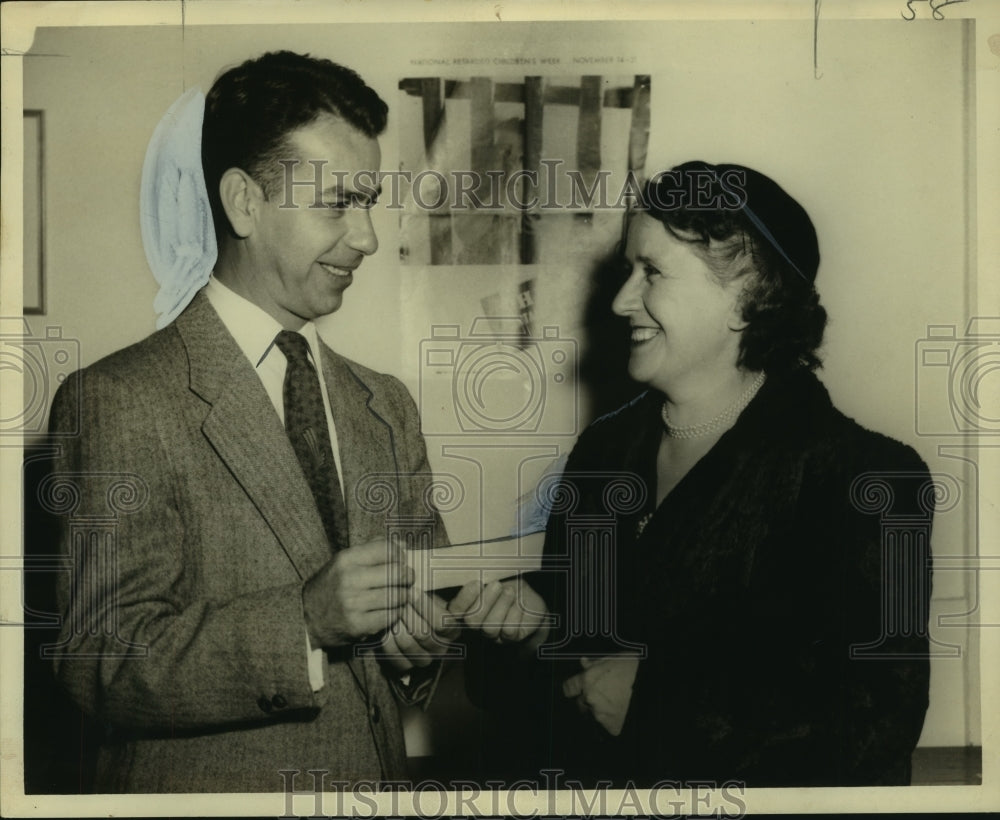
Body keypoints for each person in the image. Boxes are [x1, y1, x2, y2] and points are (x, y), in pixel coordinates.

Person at [47, 51, 455, 793]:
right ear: (242, 202)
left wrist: (423, 642)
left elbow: (422, 627)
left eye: (369, 202)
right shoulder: (118, 398)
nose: (365, 238)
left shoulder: (387, 404)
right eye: (338, 203)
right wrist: (302, 625)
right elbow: (95, 659)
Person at [451, 161, 934, 787]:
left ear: (748, 298)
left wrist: (658, 706)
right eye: (629, 269)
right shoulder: (605, 452)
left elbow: (877, 725)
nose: (623, 300)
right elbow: (554, 691)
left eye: (651, 272)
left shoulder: (864, 475)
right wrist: (534, 634)